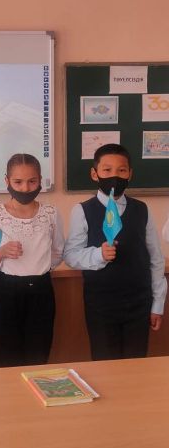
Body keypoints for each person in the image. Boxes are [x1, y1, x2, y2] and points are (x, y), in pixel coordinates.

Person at [64, 143, 167, 360]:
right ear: (95, 174)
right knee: (105, 364)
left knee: (135, 365)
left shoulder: (142, 209)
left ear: (130, 174)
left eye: (121, 170)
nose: (115, 176)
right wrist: (98, 255)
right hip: (101, 304)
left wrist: (157, 304)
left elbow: (156, 259)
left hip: (139, 303)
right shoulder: (82, 210)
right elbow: (71, 255)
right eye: (107, 170)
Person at [0, 153, 64, 367]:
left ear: (40, 180)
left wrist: (40, 268)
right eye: (18, 182)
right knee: (5, 358)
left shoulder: (50, 213)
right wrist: (1, 252)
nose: (25, 188)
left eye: (32, 181)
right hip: (5, 291)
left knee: (38, 357)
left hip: (41, 290)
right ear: (7, 181)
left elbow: (58, 251)